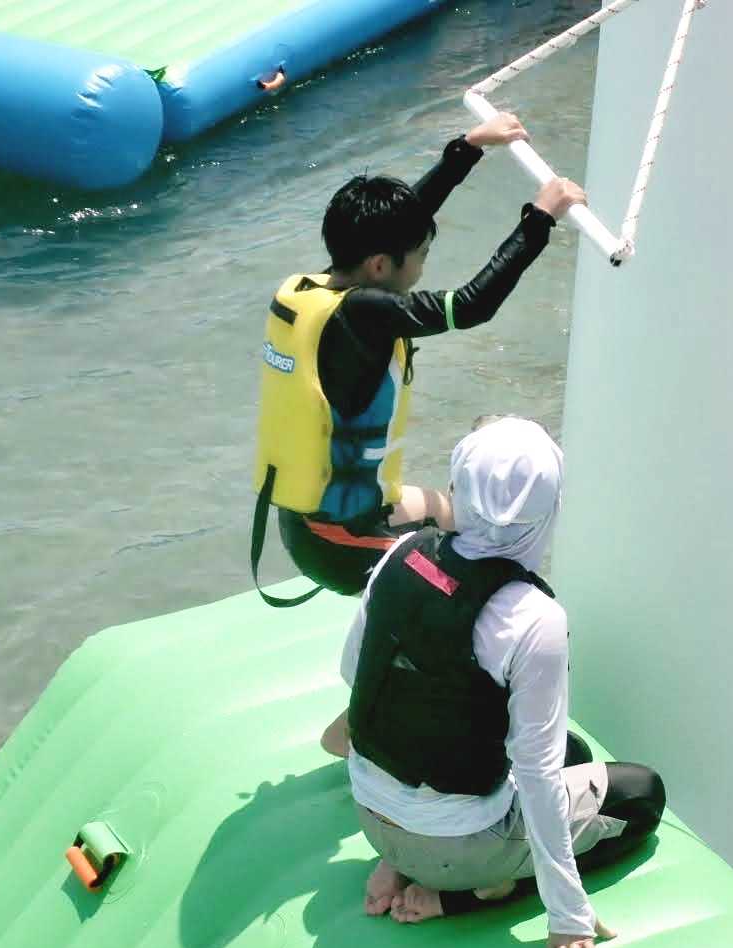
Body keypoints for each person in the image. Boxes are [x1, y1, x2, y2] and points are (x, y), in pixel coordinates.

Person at [323, 417, 666, 948]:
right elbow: (537, 775)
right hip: (455, 851)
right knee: (641, 793)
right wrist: (567, 915)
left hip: (372, 817)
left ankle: (401, 860)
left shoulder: (402, 553)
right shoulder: (534, 619)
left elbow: (356, 674)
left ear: (457, 489)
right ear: (549, 511)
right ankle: (467, 894)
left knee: (575, 752)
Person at [251, 116, 587, 604]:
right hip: (340, 544)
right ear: (380, 266)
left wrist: (468, 148)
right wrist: (540, 219)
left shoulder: (326, 288)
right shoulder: (366, 313)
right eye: (422, 255)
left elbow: (398, 227)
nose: (423, 265)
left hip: (316, 522)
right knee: (475, 578)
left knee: (461, 517)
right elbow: (472, 305)